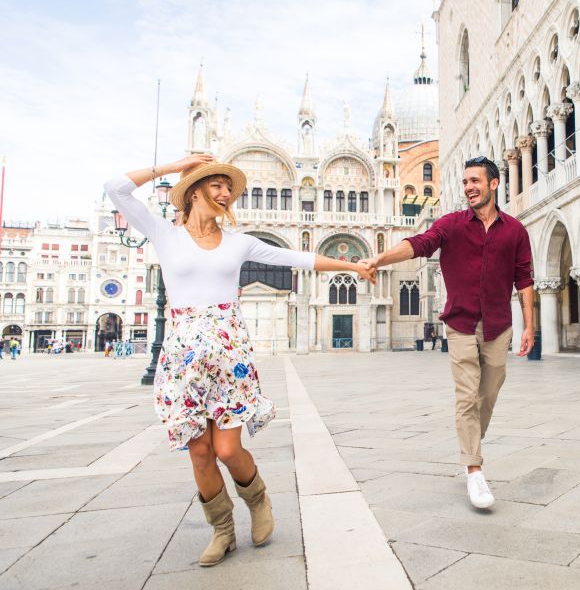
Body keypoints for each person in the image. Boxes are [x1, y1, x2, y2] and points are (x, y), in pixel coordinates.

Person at [105, 153, 376, 567]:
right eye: (216, 185)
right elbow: (115, 187)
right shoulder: (163, 233)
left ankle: (259, 499)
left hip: (228, 354)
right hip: (182, 357)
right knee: (199, 451)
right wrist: (172, 166)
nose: (225, 192)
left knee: (228, 449)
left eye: (228, 187)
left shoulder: (239, 242)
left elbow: (298, 259)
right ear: (194, 191)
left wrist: (353, 266)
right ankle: (222, 531)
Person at [362, 156, 533, 509]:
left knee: (490, 392)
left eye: (475, 181)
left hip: (499, 324)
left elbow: (525, 278)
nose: (469, 187)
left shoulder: (515, 230)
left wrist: (530, 325)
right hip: (460, 323)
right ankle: (474, 469)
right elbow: (420, 243)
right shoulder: (452, 224)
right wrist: (381, 258)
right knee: (468, 396)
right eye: (465, 181)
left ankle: (470, 439)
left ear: (494, 184)